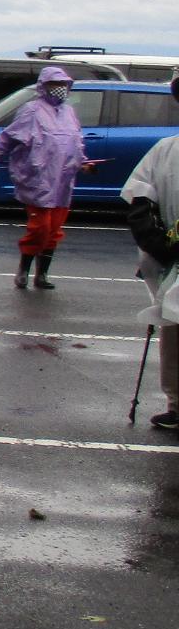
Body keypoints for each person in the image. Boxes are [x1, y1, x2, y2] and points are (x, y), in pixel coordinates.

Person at [0, 65, 93, 290]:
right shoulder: (31, 111)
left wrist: (83, 162)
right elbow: (8, 137)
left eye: (63, 85)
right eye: (55, 84)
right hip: (38, 178)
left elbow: (76, 142)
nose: (60, 89)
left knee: (54, 229)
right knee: (40, 227)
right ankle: (23, 269)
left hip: (63, 179)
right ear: (44, 86)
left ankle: (42, 274)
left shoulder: (69, 112)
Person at [124, 96, 179, 429]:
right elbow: (139, 199)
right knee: (174, 329)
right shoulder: (166, 150)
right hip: (174, 257)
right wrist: (156, 243)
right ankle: (177, 403)